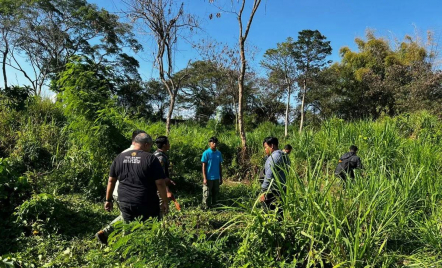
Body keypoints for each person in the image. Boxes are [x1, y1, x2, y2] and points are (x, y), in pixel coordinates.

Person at [104, 132, 168, 224]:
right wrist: (165, 201)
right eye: (150, 146)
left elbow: (111, 181)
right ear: (146, 144)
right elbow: (160, 183)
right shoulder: (151, 158)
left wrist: (108, 200)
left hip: (125, 201)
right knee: (148, 229)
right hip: (146, 202)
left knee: (129, 229)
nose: (150, 149)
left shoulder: (120, 157)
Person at [96, 129, 146, 244]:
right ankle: (124, 246)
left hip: (118, 192)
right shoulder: (140, 156)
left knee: (125, 216)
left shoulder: (122, 154)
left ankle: (104, 233)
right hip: (127, 194)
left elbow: (111, 179)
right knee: (129, 221)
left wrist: (108, 199)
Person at [260, 137, 290, 213]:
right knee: (279, 211)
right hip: (282, 189)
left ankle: (270, 224)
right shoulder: (284, 155)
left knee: (269, 212)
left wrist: (263, 192)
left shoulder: (275, 157)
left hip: (272, 190)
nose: (265, 150)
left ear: (272, 146)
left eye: (266, 147)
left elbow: (269, 176)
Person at [201, 137, 223, 209]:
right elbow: (203, 166)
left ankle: (214, 207)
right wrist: (204, 178)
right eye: (213, 142)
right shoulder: (206, 153)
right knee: (207, 194)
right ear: (209, 143)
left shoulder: (218, 153)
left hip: (216, 177)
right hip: (208, 177)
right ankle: (205, 207)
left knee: (215, 193)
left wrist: (221, 177)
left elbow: (220, 166)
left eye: (216, 142)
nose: (214, 144)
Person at [154, 136, 175, 208]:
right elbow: (160, 176)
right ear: (164, 145)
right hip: (159, 188)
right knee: (162, 207)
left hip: (159, 186)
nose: (169, 144)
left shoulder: (157, 154)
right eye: (168, 142)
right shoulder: (160, 157)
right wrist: (167, 190)